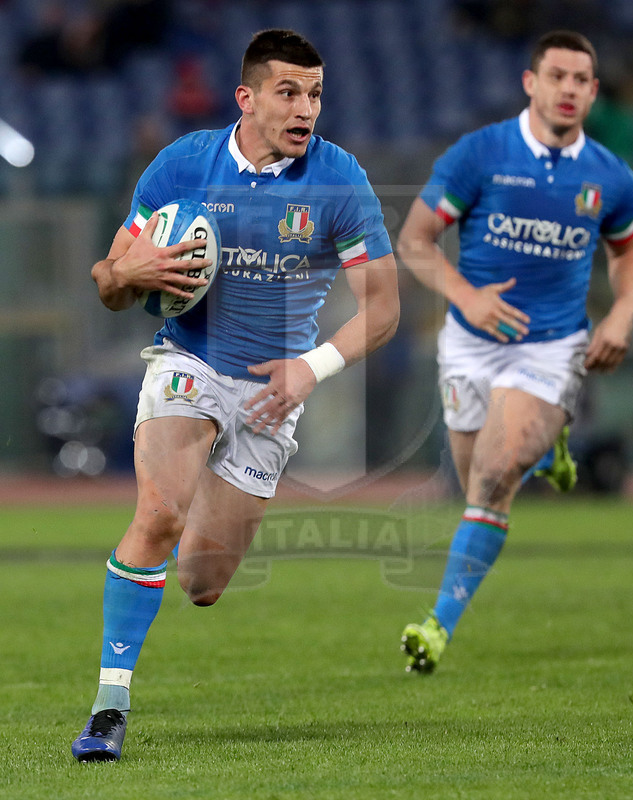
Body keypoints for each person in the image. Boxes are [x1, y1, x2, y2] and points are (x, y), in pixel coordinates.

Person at [71, 28, 399, 761]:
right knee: (157, 512)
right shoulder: (182, 164)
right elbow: (107, 282)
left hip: (271, 395)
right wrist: (133, 273)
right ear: (246, 98)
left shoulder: (338, 180)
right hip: (190, 362)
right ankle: (108, 706)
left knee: (203, 580)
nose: (305, 108)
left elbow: (383, 310)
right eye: (288, 91)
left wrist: (310, 368)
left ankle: (177, 537)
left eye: (314, 93)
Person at [397, 30, 633, 674]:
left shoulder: (609, 177)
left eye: (581, 80)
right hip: (469, 347)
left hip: (551, 348)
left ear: (593, 93)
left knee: (492, 471)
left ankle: (436, 627)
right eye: (557, 76)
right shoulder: (480, 154)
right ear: (530, 83)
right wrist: (466, 295)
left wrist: (620, 314)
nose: (569, 89)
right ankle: (550, 452)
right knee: (481, 485)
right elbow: (418, 240)